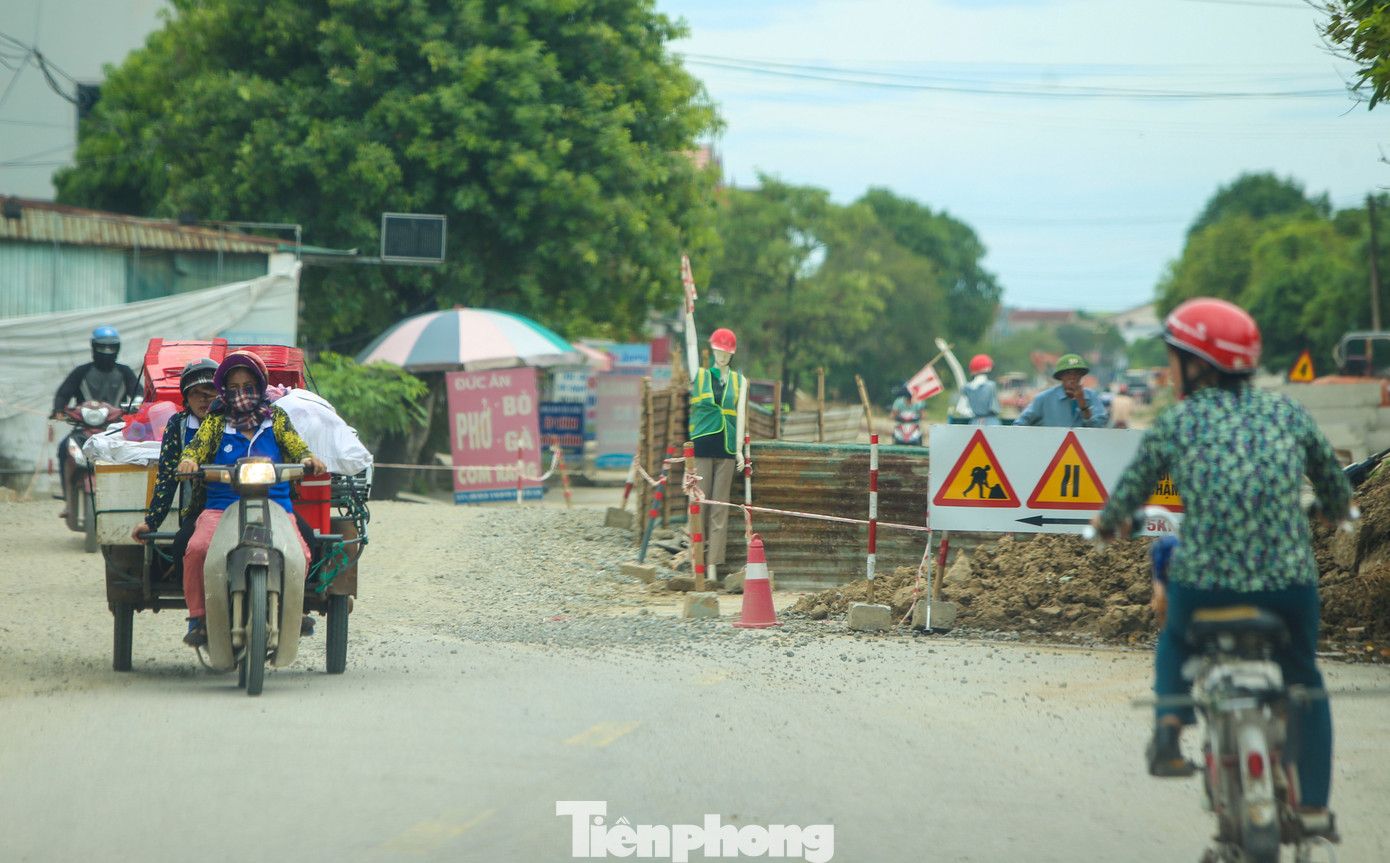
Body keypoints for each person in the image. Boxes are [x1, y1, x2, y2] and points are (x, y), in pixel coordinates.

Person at [1090, 297, 1350, 838]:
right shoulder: (1288, 413)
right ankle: (1313, 806)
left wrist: (1109, 523)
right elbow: (1335, 488)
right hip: (1288, 586)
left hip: (1203, 584)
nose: (1171, 368)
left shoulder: (1178, 421)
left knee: (1177, 639)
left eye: (1176, 357)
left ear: (1201, 364)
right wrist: (1334, 511)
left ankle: (1168, 727)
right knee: (1304, 678)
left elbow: (1129, 495)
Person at [175, 351, 326, 647]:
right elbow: (196, 447)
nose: (240, 393)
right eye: (233, 387)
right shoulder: (216, 421)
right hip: (221, 507)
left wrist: (308, 459)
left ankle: (293, 609)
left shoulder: (277, 419)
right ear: (224, 390)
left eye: (247, 385)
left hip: (275, 505)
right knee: (195, 549)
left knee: (303, 553)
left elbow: (295, 446)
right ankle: (199, 618)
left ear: (260, 385)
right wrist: (188, 461)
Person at [130, 359, 219, 576]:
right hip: (198, 509)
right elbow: (167, 477)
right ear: (186, 398)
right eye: (195, 392)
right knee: (181, 545)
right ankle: (195, 606)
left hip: (243, 502)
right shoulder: (178, 425)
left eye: (209, 391)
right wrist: (151, 522)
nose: (203, 399)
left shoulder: (236, 419)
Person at [51, 326, 140, 516]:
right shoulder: (81, 372)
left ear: (118, 348)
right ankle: (68, 498)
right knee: (63, 448)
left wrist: (138, 405)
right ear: (93, 347)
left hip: (115, 429)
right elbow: (63, 393)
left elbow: (138, 393)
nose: (106, 352)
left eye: (111, 348)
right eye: (102, 347)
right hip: (84, 427)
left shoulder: (125, 372)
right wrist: (59, 409)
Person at [688, 327, 747, 586]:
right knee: (698, 506)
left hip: (725, 449)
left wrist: (739, 450)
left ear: (732, 354)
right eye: (719, 351)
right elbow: (690, 342)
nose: (723, 356)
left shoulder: (740, 381)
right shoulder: (699, 375)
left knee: (719, 510)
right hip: (701, 445)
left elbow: (741, 415)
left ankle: (712, 566)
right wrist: (690, 316)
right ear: (712, 350)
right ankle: (697, 564)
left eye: (727, 352)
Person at [1013, 353, 1107, 428]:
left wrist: (1083, 404)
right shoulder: (1044, 399)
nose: (1072, 377)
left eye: (1076, 373)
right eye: (1068, 373)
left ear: (1081, 375)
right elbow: (1019, 425)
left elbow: (1098, 428)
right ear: (1061, 376)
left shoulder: (1091, 397)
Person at [957, 354, 1003, 425]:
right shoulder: (991, 385)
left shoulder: (967, 387)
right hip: (992, 422)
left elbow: (960, 409)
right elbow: (996, 408)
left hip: (974, 422)